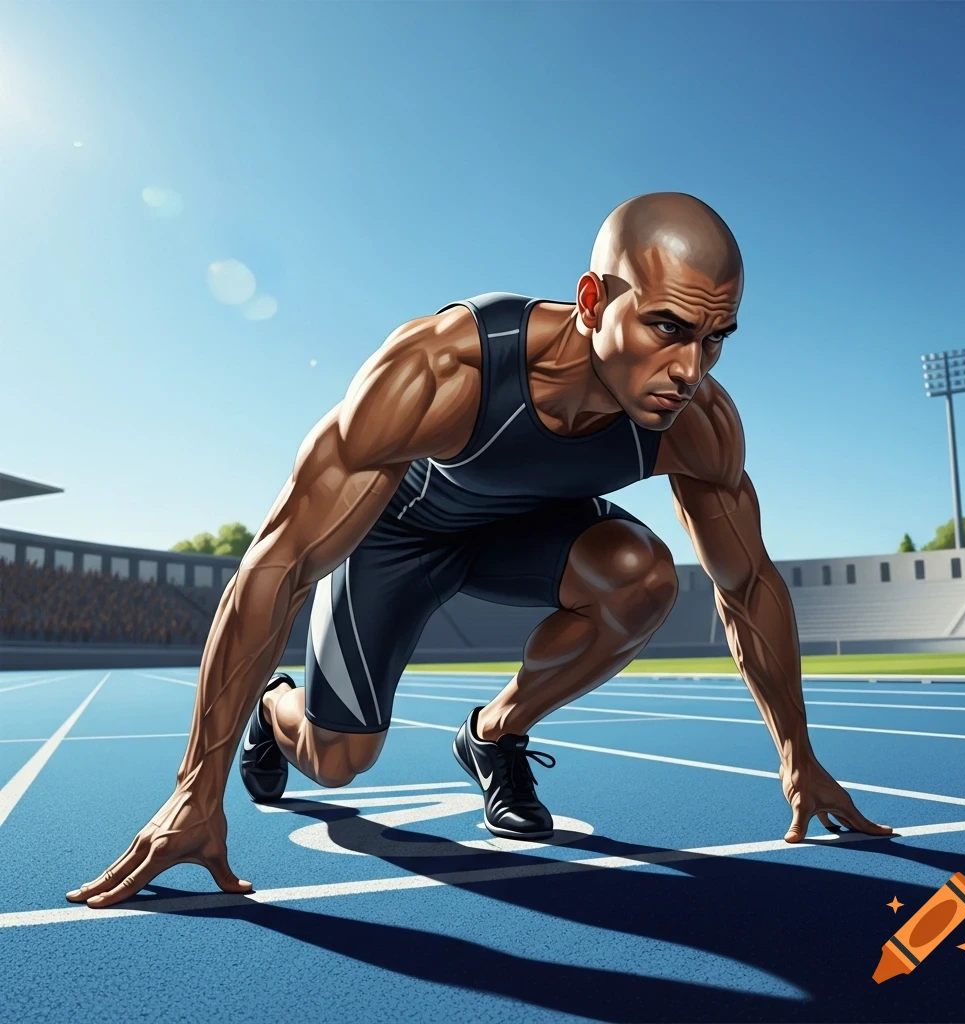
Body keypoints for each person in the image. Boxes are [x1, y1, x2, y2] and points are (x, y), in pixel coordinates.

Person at [67, 192, 891, 909]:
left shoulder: (696, 423)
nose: (689, 369)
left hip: (527, 538)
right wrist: (195, 789)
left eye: (714, 339)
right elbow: (277, 565)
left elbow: (747, 585)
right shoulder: (444, 368)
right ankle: (276, 708)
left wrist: (798, 755)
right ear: (593, 301)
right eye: (667, 327)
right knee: (337, 762)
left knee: (643, 578)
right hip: (400, 536)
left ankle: (493, 735)